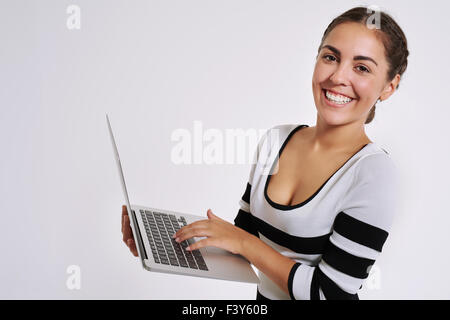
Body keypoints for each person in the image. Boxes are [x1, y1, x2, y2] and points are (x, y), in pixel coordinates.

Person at [121, 6, 408, 300]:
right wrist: (163, 245)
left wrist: (245, 244)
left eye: (361, 67)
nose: (337, 77)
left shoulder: (374, 174)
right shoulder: (276, 141)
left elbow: (329, 293)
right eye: (330, 57)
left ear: (389, 86)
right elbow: (241, 244)